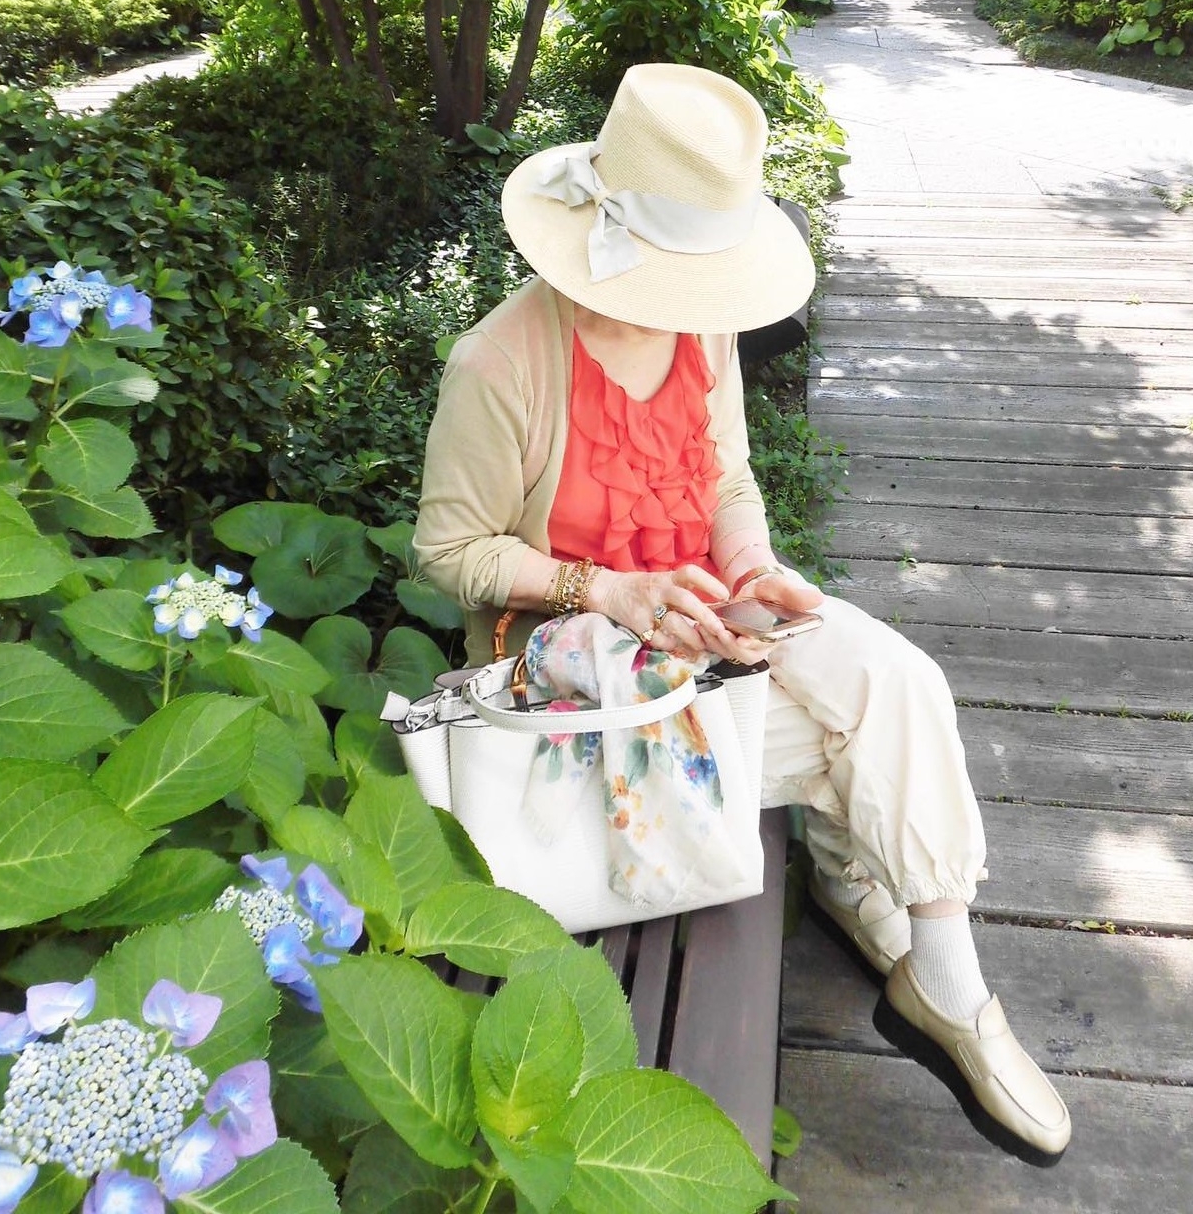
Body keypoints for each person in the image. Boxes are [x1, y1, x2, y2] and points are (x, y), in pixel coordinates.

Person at [414, 62, 1071, 1163]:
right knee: (851, 737)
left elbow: (723, 483)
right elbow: (448, 551)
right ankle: (869, 892)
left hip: (716, 626)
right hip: (587, 679)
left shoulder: (697, 320)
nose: (687, 296)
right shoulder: (501, 361)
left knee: (893, 678)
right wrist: (605, 587)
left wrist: (756, 564)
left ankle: (944, 978)